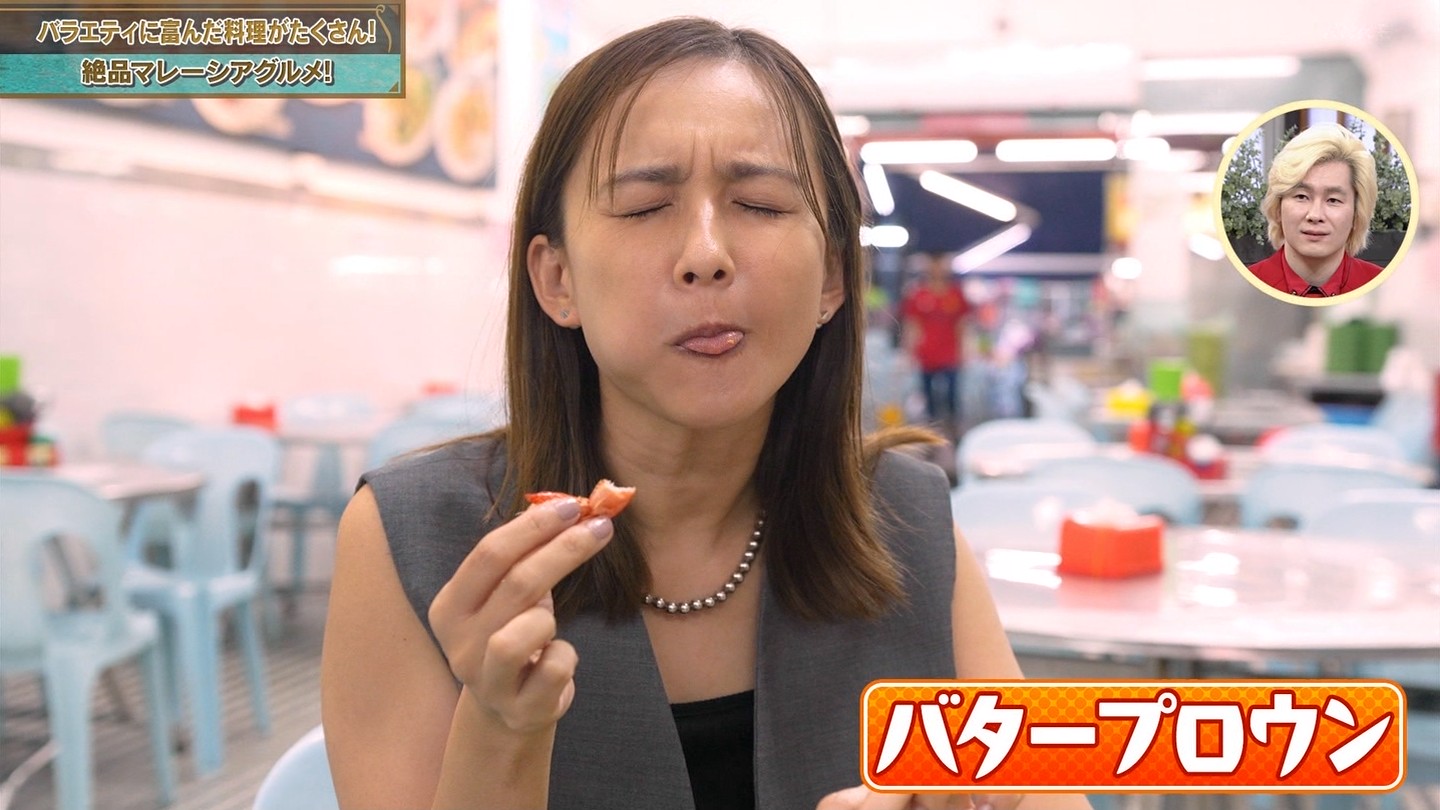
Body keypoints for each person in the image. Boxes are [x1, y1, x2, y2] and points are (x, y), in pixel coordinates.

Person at [321, 17, 1090, 810]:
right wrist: (499, 723)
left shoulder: (905, 523)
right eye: (644, 206)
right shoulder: (416, 538)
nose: (706, 254)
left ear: (832, 277)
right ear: (557, 280)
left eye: (759, 203)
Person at [1246, 122, 1384, 298]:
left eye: (1333, 200)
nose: (1315, 215)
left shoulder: (1385, 289)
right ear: (1278, 207)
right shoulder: (1245, 286)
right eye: (1301, 196)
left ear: (1357, 214)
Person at [900, 252, 972, 439]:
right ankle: (932, 436)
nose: (938, 269)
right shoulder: (918, 295)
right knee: (929, 398)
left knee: (952, 397)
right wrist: (908, 354)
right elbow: (912, 326)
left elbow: (963, 325)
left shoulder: (956, 294)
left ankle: (955, 435)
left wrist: (965, 351)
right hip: (927, 356)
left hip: (951, 356)